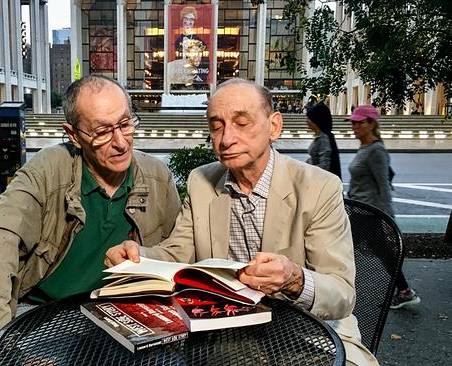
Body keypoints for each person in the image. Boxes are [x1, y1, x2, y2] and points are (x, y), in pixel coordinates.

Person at [106, 78, 378, 365]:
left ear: (274, 126)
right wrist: (138, 257)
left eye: (242, 122)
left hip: (310, 330)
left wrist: (294, 278)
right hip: (230, 329)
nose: (225, 139)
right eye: (216, 126)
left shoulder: (319, 187)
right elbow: (177, 252)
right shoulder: (201, 181)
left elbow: (342, 294)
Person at [0, 75, 181, 365]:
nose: (121, 143)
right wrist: (5, 356)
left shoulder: (157, 176)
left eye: (125, 124)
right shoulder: (46, 172)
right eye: (102, 132)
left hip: (127, 317)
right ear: (73, 135)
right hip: (46, 319)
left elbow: (178, 257)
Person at [347, 105, 421, 310]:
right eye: (353, 122)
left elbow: (384, 185)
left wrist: (389, 218)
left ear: (371, 124)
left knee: (342, 250)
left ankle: (334, 292)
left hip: (369, 214)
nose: (355, 126)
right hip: (361, 211)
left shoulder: (376, 151)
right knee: (383, 253)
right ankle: (404, 291)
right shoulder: (365, 148)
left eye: (359, 122)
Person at [305, 102, 342, 179]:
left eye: (309, 118)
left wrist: (307, 170)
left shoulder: (323, 139)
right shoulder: (320, 136)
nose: (306, 121)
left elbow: (324, 165)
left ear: (315, 121)